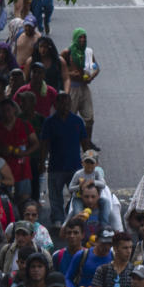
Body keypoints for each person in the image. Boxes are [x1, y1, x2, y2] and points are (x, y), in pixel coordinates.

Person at [39, 92, 88, 228]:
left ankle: (69, 212)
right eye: (62, 103)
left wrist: (90, 161)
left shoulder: (77, 121)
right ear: (56, 104)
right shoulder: (49, 122)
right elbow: (44, 144)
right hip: (56, 166)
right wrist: (42, 163)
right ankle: (57, 218)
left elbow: (85, 142)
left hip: (75, 167)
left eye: (68, 103)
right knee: (55, 196)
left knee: (77, 194)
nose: (65, 106)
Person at [60, 28, 99, 145]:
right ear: (75, 39)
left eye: (84, 37)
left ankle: (87, 143)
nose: (82, 40)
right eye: (80, 37)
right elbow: (60, 68)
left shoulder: (88, 52)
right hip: (72, 88)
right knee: (69, 117)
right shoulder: (67, 52)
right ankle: (68, 142)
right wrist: (71, 74)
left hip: (84, 87)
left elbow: (97, 67)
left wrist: (91, 76)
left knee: (89, 118)